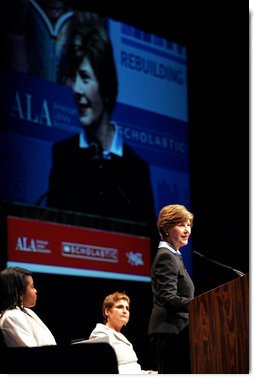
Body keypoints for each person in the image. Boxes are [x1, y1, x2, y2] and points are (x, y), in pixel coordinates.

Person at [46, 20, 158, 249]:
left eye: (85, 78)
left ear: (105, 86)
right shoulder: (63, 156)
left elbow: (149, 245)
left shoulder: (136, 169)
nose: (77, 89)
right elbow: (51, 233)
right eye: (74, 78)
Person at [148, 204, 195, 373]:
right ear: (167, 228)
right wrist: (199, 304)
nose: (187, 229)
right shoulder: (166, 257)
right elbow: (168, 298)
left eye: (188, 224)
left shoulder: (174, 256)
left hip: (177, 333)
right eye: (181, 224)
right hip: (169, 334)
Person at [89, 291, 157, 374]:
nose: (125, 311)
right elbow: (107, 371)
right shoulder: (100, 334)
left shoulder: (121, 336)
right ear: (107, 312)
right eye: (120, 307)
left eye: (127, 308)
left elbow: (131, 367)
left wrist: (149, 373)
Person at [0, 266, 57, 347]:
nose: (35, 290)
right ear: (20, 293)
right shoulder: (11, 317)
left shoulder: (28, 312)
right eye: (32, 286)